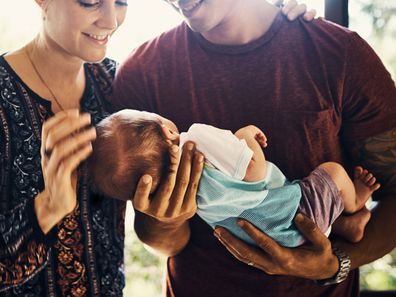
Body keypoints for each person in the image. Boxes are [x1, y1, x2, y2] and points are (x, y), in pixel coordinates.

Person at [0, 0, 313, 295]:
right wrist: (46, 209)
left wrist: (277, 18)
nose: (111, 20)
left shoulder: (115, 85)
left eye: (121, 1)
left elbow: (161, 240)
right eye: (90, 1)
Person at [110, 0, 396, 296]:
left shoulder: (338, 52)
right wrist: (166, 222)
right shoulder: (141, 75)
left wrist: (335, 264)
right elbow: (162, 241)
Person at [90, 109, 379, 246]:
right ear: (166, 130)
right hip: (298, 211)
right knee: (333, 173)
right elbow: (254, 171)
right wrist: (245, 136)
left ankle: (345, 224)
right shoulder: (197, 138)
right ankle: (354, 201)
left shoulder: (183, 196)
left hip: (281, 240)